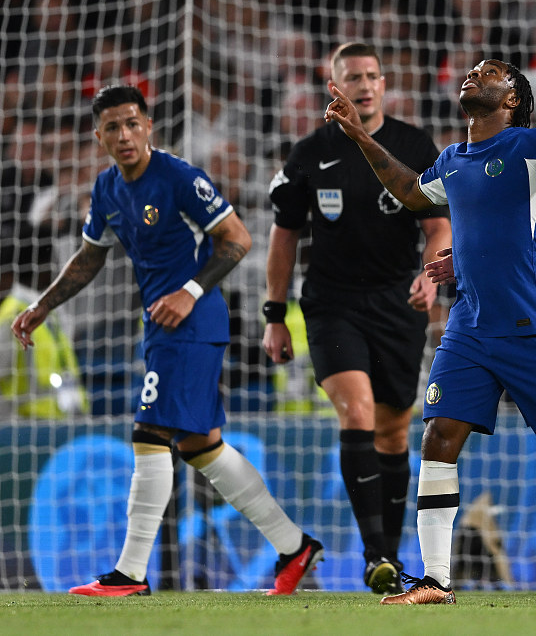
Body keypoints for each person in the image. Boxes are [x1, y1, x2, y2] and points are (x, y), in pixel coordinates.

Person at [324, 54, 536, 605]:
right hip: (469, 326)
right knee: (438, 437)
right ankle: (436, 580)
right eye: (471, 70)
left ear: (512, 99)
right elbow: (409, 191)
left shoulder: (532, 147)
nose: (472, 73)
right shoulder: (452, 159)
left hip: (534, 328)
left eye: (488, 71)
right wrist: (360, 136)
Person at [11, 85, 322, 597]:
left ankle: (130, 573)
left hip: (194, 319)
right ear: (100, 136)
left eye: (133, 123)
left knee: (149, 433)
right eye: (113, 127)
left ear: (148, 126)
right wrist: (43, 305)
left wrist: (190, 290)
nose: (125, 134)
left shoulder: (179, 178)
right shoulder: (108, 189)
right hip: (160, 325)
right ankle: (294, 547)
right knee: (201, 446)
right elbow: (90, 257)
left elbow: (238, 239)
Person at [264, 42, 451, 595]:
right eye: (353, 77)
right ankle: (374, 556)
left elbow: (438, 225)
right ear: (335, 87)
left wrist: (429, 274)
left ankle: (388, 557)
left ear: (385, 84)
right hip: (331, 305)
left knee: (394, 432)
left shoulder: (413, 145)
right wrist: (275, 315)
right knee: (358, 410)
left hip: (398, 306)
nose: (364, 86)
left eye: (372, 76)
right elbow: (284, 236)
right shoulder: (309, 153)